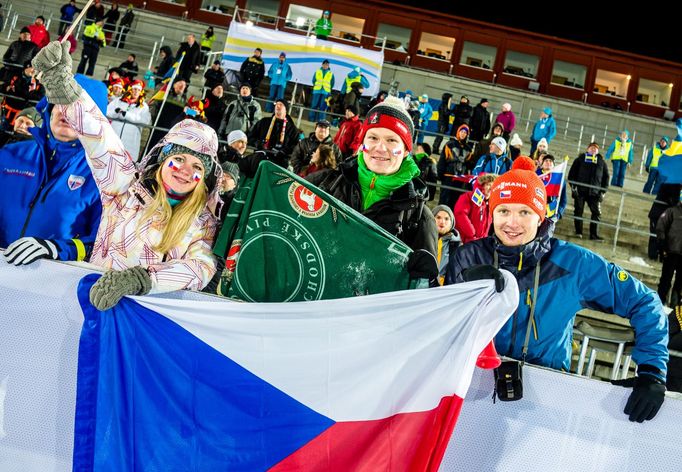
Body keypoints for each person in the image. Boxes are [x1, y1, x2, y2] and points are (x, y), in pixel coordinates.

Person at [447, 156, 669, 423]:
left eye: (524, 212)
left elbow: (646, 302)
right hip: (472, 391)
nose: (512, 223)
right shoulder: (468, 258)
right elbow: (446, 325)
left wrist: (652, 371)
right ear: (492, 213)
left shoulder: (573, 263)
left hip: (544, 400)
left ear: (540, 216)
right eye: (503, 211)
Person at [31, 41, 223, 309]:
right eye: (178, 158)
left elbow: (201, 267)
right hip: (90, 306)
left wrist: (142, 279)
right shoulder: (125, 188)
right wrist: (66, 90)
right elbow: (100, 137)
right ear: (162, 159)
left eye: (197, 167)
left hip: (146, 321)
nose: (184, 170)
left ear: (204, 178)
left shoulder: (203, 222)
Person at [306, 96, 438, 263]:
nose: (380, 148)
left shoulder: (419, 218)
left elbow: (425, 286)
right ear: (362, 143)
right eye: (373, 138)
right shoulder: (325, 182)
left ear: (406, 151)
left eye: (391, 140)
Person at [0, 73, 106, 267]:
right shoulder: (9, 155)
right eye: (61, 103)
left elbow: (103, 244)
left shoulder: (103, 176)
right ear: (49, 108)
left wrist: (56, 249)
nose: (67, 113)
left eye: (79, 109)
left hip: (50, 286)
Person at [569, 142, 609, 240]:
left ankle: (593, 234)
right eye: (591, 147)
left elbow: (606, 178)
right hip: (580, 191)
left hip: (595, 193)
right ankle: (578, 232)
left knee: (597, 213)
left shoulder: (602, 162)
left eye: (595, 148)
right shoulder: (579, 159)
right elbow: (572, 175)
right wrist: (574, 187)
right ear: (587, 149)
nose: (593, 149)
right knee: (578, 211)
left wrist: (603, 192)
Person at [106, 79, 151, 162]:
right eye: (134, 89)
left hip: (131, 139)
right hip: (114, 134)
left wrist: (127, 115)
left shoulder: (143, 106)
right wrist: (116, 112)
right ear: (130, 89)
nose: (136, 92)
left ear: (141, 92)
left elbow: (145, 120)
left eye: (138, 90)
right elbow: (107, 112)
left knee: (126, 162)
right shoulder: (118, 100)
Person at [656, 190, 682, 307]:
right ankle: (660, 303)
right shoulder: (672, 211)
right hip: (671, 251)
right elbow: (660, 227)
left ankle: (675, 307)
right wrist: (663, 246)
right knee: (666, 280)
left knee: (680, 283)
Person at [1, 62, 44, 130]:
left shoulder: (39, 83)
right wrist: (6, 88)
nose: (34, 70)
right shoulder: (14, 76)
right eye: (32, 67)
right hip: (8, 110)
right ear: (26, 68)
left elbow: (39, 98)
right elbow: (3, 87)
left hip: (24, 114)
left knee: (18, 132)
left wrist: (18, 91)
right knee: (4, 129)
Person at [453, 173, 495, 244]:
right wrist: (472, 235)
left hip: (479, 244)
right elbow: (460, 214)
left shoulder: (490, 204)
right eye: (488, 185)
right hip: (464, 242)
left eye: (493, 186)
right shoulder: (467, 197)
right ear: (482, 185)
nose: (490, 188)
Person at [437, 124, 472, 208]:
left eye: (465, 132)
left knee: (455, 203)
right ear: (458, 132)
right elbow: (442, 160)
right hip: (448, 177)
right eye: (462, 131)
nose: (463, 134)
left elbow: (468, 165)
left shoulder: (468, 149)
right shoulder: (449, 144)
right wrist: (440, 174)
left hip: (460, 180)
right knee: (443, 201)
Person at [147, 77, 187, 149]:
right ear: (174, 85)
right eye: (180, 84)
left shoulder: (183, 99)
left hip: (172, 129)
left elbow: (186, 110)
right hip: (159, 125)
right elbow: (154, 105)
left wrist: (195, 112)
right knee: (152, 146)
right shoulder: (165, 94)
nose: (182, 87)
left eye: (184, 85)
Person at [648, 183, 681, 260]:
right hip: (657, 214)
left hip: (665, 216)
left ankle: (661, 256)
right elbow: (673, 200)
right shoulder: (672, 184)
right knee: (655, 235)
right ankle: (653, 256)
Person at [431, 204, 460, 286]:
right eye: (438, 217)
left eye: (446, 219)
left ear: (452, 223)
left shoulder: (457, 246)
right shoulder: (422, 237)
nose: (442, 222)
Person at [537, 154, 567, 221]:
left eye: (550, 161)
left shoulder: (560, 179)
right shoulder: (535, 176)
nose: (548, 162)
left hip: (550, 214)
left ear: (554, 165)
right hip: (536, 211)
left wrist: (558, 214)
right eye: (546, 161)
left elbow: (563, 200)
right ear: (541, 165)